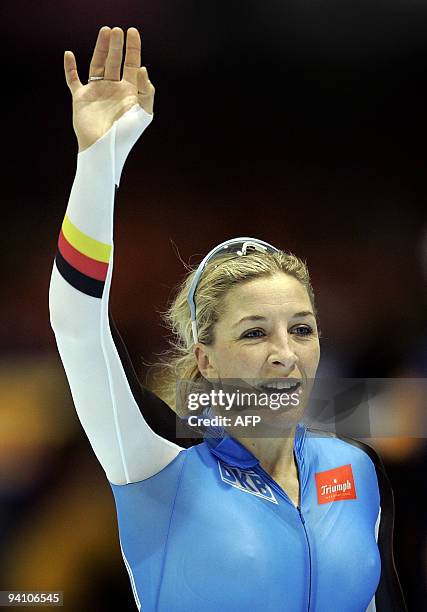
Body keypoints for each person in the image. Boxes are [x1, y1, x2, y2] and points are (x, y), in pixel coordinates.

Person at [49, 26, 408, 612]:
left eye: (301, 328)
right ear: (204, 360)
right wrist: (99, 161)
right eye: (253, 332)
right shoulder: (157, 463)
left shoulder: (356, 469)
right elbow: (76, 320)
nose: (284, 353)